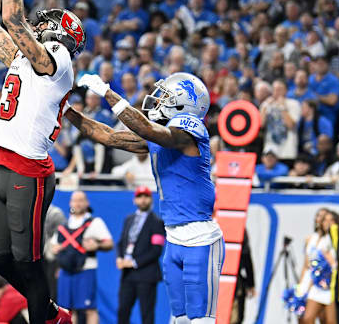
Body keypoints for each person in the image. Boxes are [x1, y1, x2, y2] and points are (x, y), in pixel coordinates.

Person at [0, 0, 85, 324]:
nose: (43, 25)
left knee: (28, 258)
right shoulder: (29, 59)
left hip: (30, 171)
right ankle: (50, 309)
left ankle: (48, 317)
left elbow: (12, 18)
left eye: (49, 24)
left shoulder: (58, 61)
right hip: (5, 167)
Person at [65, 72, 225, 324]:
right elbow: (107, 135)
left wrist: (108, 92)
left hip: (200, 238)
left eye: (168, 97)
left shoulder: (189, 131)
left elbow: (147, 128)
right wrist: (67, 111)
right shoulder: (159, 136)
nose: (159, 101)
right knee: (179, 318)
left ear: (186, 104)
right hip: (174, 237)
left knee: (201, 319)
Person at [51, 191, 113, 324]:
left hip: (86, 270)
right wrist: (56, 252)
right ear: (70, 203)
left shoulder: (95, 222)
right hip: (66, 271)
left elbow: (109, 243)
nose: (77, 203)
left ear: (87, 203)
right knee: (67, 309)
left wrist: (96, 245)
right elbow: (53, 247)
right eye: (75, 200)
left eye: (81, 200)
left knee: (89, 308)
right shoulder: (64, 225)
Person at [116, 187, 165, 324]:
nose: (142, 200)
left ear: (151, 199)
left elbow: (156, 251)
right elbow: (121, 242)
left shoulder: (157, 222)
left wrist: (133, 262)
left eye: (146, 196)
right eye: (139, 196)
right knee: (123, 311)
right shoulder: (129, 219)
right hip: (128, 275)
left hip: (146, 275)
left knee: (147, 314)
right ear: (134, 200)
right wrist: (119, 258)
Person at [298, 209, 337, 324]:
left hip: (327, 283)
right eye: (324, 219)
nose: (327, 223)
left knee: (328, 320)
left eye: (331, 220)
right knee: (305, 317)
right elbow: (306, 264)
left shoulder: (333, 240)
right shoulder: (311, 238)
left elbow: (332, 262)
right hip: (311, 281)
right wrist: (300, 285)